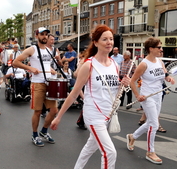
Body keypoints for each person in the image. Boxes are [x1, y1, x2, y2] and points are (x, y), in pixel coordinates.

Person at [51, 25, 130, 169]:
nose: (109, 42)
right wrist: (59, 116)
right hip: (93, 115)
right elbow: (74, 92)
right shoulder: (89, 65)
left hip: (108, 114)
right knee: (110, 153)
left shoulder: (114, 64)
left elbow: (112, 90)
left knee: (90, 146)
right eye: (104, 39)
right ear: (96, 42)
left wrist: (123, 83)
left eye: (111, 39)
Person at [126, 37, 175, 164]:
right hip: (147, 97)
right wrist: (137, 95)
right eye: (159, 47)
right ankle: (150, 151)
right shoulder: (144, 64)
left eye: (161, 47)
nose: (161, 49)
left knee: (151, 122)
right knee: (154, 124)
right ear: (151, 49)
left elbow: (165, 74)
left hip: (158, 95)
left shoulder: (160, 61)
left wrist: (169, 78)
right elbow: (132, 81)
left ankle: (133, 136)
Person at [13, 27, 57, 147]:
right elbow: (15, 62)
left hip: (49, 82)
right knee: (38, 111)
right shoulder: (32, 49)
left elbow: (46, 65)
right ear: (37, 36)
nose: (44, 37)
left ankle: (44, 131)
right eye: (42, 34)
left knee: (54, 110)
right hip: (37, 83)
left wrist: (52, 70)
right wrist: (30, 68)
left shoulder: (48, 50)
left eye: (46, 35)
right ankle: (34, 135)